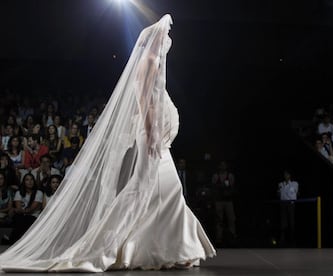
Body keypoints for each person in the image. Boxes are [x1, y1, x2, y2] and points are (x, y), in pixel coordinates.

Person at [0, 14, 215, 272]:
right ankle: (135, 246)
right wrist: (152, 131)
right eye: (163, 38)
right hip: (152, 138)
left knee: (160, 193)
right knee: (155, 190)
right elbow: (143, 99)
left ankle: (165, 248)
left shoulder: (153, 61)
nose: (166, 42)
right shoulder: (148, 60)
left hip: (157, 138)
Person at [277, 170, 299, 246]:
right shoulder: (280, 184)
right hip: (283, 204)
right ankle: (282, 240)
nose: (285, 176)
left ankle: (292, 240)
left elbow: (294, 193)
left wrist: (288, 193)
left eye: (287, 174)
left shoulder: (294, 183)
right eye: (284, 174)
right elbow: (280, 194)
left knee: (291, 222)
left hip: (291, 204)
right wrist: (279, 193)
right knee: (283, 222)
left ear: (290, 175)